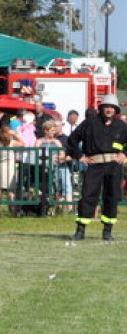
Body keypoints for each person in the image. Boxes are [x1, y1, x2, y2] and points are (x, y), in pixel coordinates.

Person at [67, 95, 127, 241]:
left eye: (112, 107)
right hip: (95, 165)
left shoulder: (121, 126)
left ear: (116, 110)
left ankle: (107, 230)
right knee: (88, 196)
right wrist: (80, 156)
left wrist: (124, 154)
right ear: (101, 108)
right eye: (106, 106)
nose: (109, 109)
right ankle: (80, 230)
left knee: (111, 197)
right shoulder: (90, 123)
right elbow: (72, 140)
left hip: (113, 166)